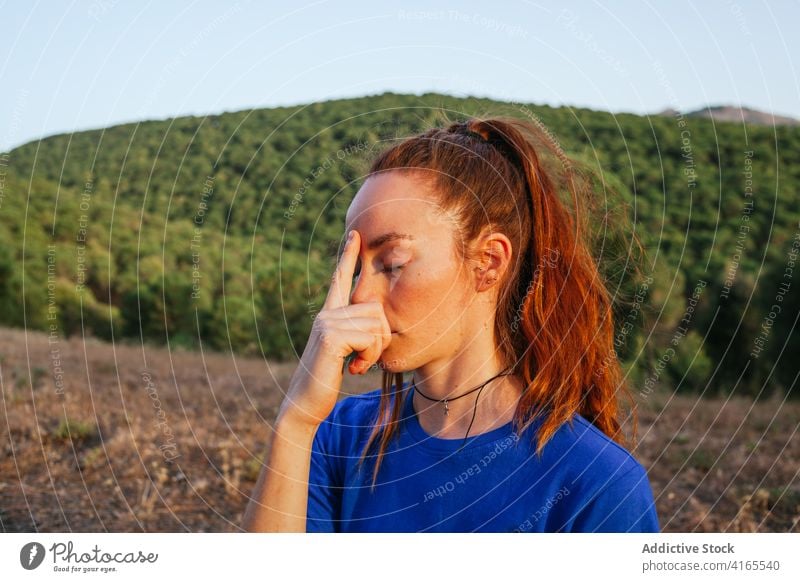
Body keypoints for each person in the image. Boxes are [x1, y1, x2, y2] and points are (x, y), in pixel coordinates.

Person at [242, 114, 660, 533]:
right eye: (355, 268)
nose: (359, 297)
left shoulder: (597, 485)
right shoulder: (338, 438)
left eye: (392, 264)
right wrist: (296, 421)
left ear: (488, 263)